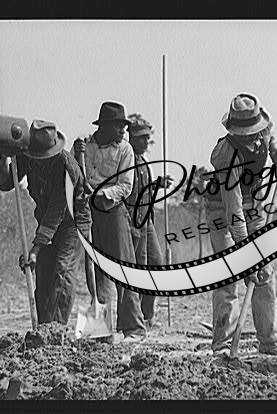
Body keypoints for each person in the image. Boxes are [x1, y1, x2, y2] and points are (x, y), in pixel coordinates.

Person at [206, 93, 277, 356]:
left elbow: (271, 139)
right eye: (244, 134)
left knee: (263, 271)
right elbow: (233, 211)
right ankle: (222, 344)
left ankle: (269, 341)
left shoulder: (263, 130)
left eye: (253, 132)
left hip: (254, 206)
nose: (251, 137)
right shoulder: (226, 155)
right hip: (223, 212)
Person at [0, 120, 91, 325]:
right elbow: (6, 183)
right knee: (43, 271)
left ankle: (56, 329)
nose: (40, 161)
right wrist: (4, 155)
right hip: (46, 220)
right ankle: (42, 327)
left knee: (62, 270)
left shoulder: (67, 168)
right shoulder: (27, 157)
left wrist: (35, 249)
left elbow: (56, 211)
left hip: (73, 222)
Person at [73, 101, 145, 343]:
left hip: (112, 210)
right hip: (87, 213)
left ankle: (134, 328)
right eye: (118, 126)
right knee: (95, 270)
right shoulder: (84, 146)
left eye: (124, 126)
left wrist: (97, 194)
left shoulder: (125, 150)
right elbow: (73, 174)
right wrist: (75, 155)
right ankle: (100, 331)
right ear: (103, 126)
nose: (123, 130)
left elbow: (125, 186)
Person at [125, 117, 173, 330]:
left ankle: (147, 314)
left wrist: (157, 185)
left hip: (147, 220)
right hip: (133, 221)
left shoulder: (144, 162)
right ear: (132, 138)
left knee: (156, 264)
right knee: (138, 269)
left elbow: (143, 189)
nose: (146, 142)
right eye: (141, 138)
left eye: (147, 138)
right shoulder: (127, 159)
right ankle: (135, 319)